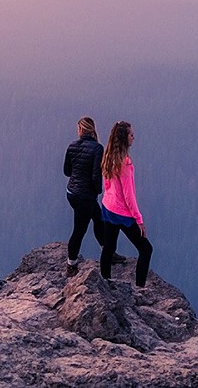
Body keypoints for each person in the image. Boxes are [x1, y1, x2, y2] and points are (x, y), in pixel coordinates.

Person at [100, 121, 153, 287]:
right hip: (123, 213)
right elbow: (129, 196)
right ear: (124, 138)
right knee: (146, 249)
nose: (133, 137)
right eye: (131, 135)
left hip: (108, 207)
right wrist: (139, 220)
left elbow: (107, 186)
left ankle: (104, 281)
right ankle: (140, 287)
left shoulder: (108, 157)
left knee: (109, 247)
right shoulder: (125, 163)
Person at [63, 117, 105, 273]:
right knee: (80, 229)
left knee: (98, 218)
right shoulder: (97, 148)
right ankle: (71, 265)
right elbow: (96, 175)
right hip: (85, 195)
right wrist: (98, 190)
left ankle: (107, 251)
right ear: (93, 129)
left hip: (72, 193)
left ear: (80, 130)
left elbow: (67, 171)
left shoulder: (72, 146)